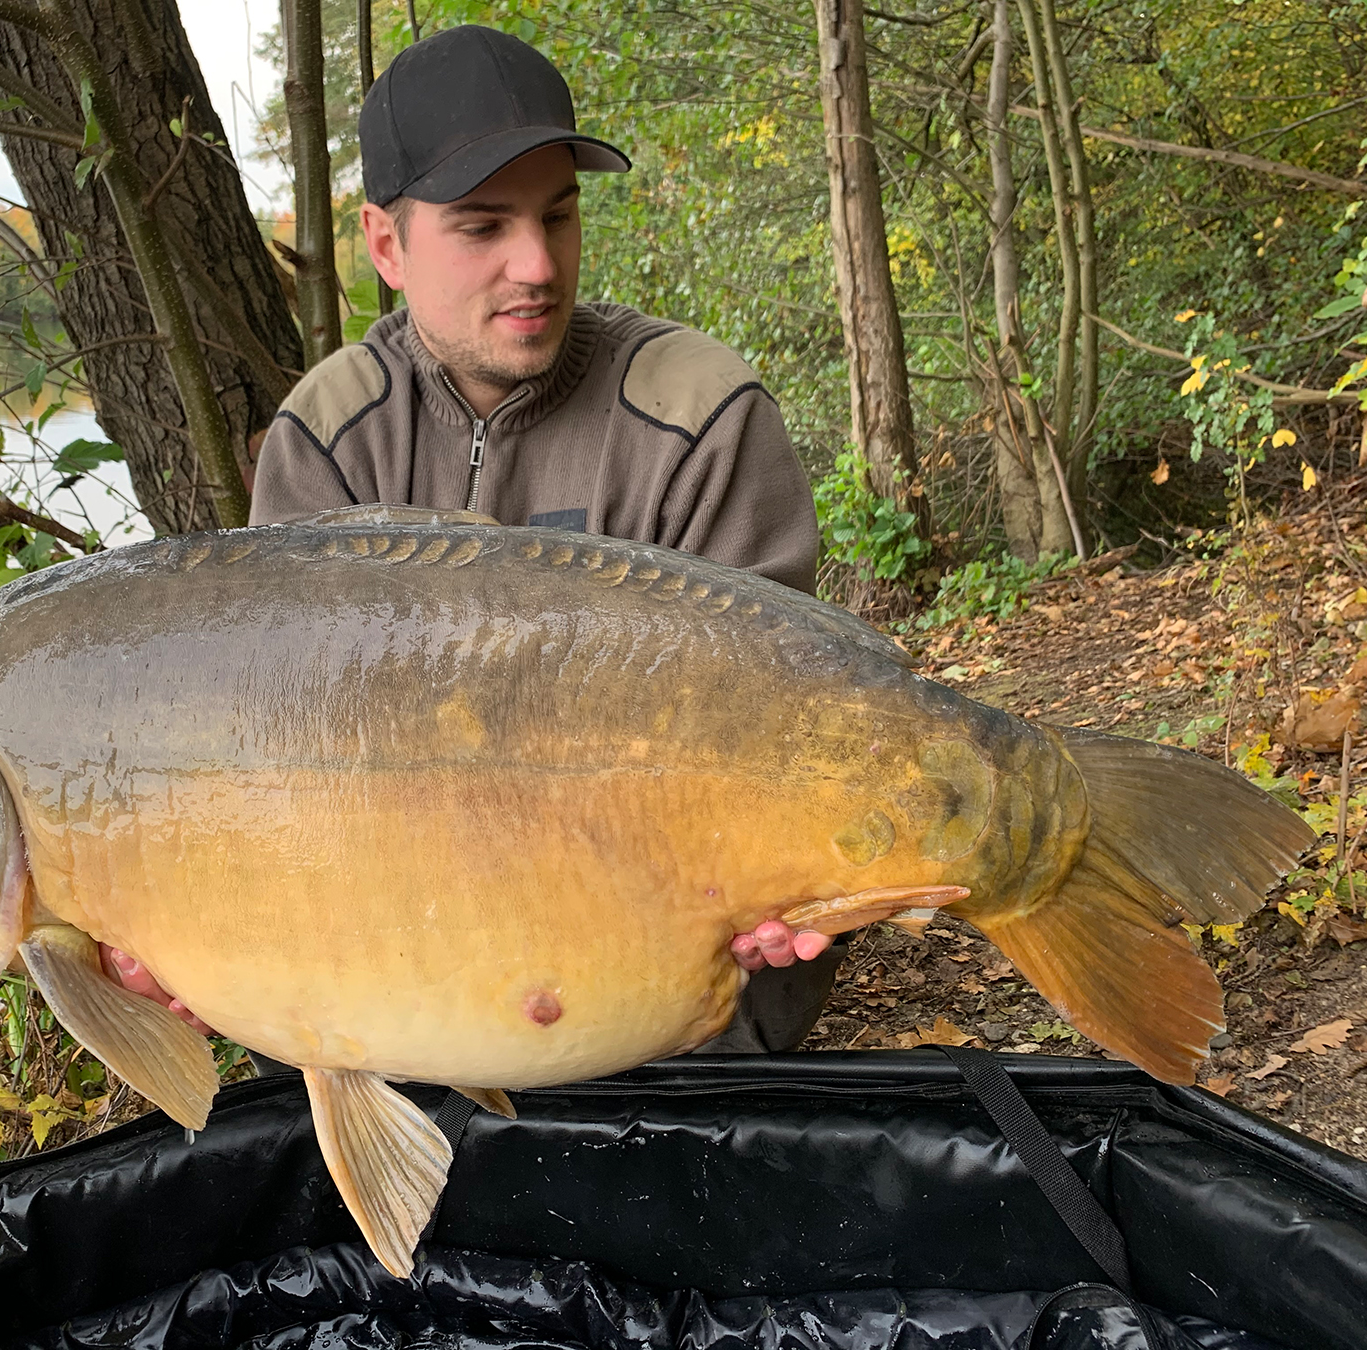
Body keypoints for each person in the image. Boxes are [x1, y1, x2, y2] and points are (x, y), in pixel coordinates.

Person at [107, 24, 842, 1054]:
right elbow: (300, 765)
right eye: (483, 227)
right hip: (426, 956)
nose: (536, 264)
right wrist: (222, 949)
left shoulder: (699, 411)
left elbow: (794, 725)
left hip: (686, 963)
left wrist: (794, 875)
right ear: (386, 246)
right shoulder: (329, 437)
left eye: (558, 216)